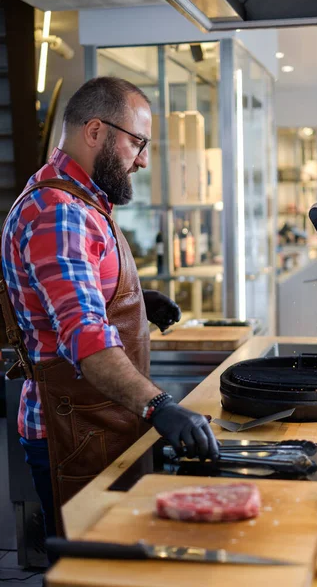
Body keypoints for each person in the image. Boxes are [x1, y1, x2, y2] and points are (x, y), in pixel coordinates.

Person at [0, 77, 219, 539]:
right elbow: (85, 337)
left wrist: (136, 302)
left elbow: (74, 301)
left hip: (98, 421)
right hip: (75, 432)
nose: (142, 160)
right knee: (93, 572)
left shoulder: (75, 200)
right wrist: (160, 406)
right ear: (96, 131)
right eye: (137, 143)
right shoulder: (60, 210)